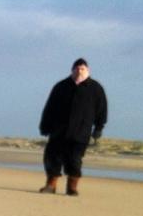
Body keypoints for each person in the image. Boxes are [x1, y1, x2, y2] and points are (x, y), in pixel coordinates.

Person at [38, 58, 107, 196]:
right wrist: (45, 125)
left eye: (82, 69)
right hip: (59, 131)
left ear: (87, 70)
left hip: (81, 132)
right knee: (52, 158)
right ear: (72, 70)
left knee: (74, 160)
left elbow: (102, 110)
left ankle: (72, 188)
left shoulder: (95, 88)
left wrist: (98, 128)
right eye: (77, 68)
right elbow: (50, 107)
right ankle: (51, 185)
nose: (79, 71)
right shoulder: (61, 86)